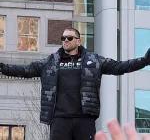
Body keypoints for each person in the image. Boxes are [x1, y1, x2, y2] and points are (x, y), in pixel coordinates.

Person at [0, 28, 150, 140]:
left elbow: (119, 67)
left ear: (78, 41)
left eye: (69, 38)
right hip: (59, 119)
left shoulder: (94, 60)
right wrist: (3, 67)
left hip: (84, 119)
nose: (65, 40)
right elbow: (26, 70)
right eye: (63, 38)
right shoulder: (50, 62)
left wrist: (144, 61)